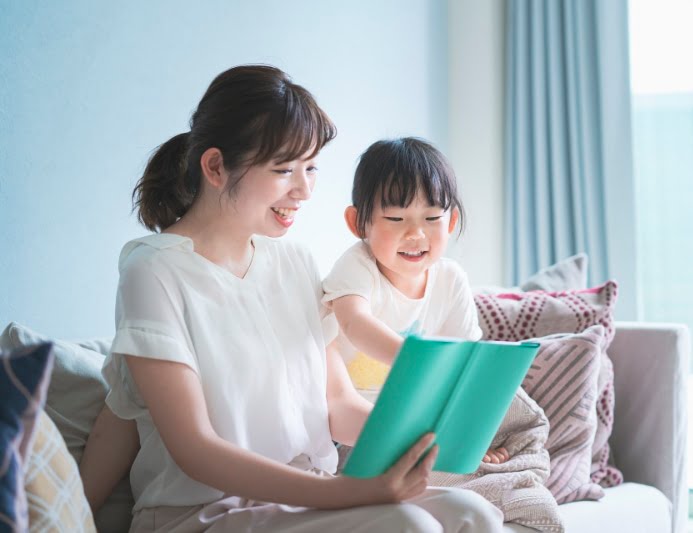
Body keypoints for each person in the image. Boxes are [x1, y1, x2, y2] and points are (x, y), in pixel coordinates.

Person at [79, 65, 505, 532]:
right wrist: (348, 491)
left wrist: (431, 440)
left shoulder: (296, 261)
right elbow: (194, 447)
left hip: (309, 500)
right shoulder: (154, 270)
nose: (303, 190)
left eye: (311, 168)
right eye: (284, 169)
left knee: (476, 514)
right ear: (216, 167)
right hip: (203, 513)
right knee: (411, 527)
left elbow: (337, 405)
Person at [322, 138, 509, 465]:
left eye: (432, 218)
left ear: (450, 223)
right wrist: (417, 363)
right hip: (351, 424)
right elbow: (354, 323)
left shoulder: (450, 280)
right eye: (396, 219)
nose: (416, 234)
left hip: (419, 422)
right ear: (357, 223)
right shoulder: (357, 265)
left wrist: (468, 434)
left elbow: (463, 364)